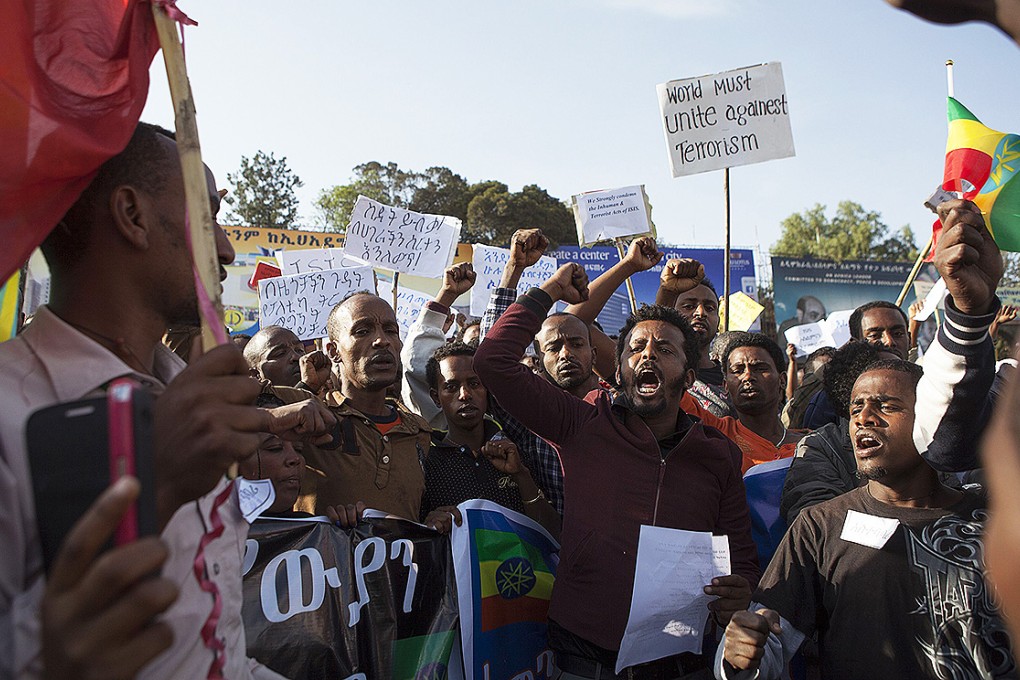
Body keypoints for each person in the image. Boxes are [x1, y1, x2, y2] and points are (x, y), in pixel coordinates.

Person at [0, 122, 334, 679]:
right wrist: (152, 483)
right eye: (207, 218)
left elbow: (214, 644)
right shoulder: (10, 418)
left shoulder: (188, 392)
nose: (226, 248)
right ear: (132, 216)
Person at [475, 264, 759, 678]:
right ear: (619, 370)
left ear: (689, 377)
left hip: (679, 658)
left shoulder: (719, 456)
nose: (648, 355)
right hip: (583, 654)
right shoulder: (581, 423)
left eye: (664, 350)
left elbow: (740, 558)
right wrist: (551, 290)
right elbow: (493, 360)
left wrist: (741, 589)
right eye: (636, 348)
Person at [717, 360, 1017, 679]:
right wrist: (738, 657)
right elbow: (766, 644)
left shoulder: (997, 512)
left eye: (885, 405)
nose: (863, 418)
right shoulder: (819, 527)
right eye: (856, 406)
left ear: (932, 420)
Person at [297, 291, 433, 521]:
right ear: (333, 352)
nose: (382, 340)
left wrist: (434, 520)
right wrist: (305, 390)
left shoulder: (419, 433)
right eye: (362, 331)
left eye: (391, 330)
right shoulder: (313, 421)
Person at [420, 341, 560, 539]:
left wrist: (521, 475)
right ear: (436, 397)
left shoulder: (515, 452)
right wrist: (428, 527)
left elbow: (553, 534)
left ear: (488, 390)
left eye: (474, 383)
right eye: (451, 387)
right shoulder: (426, 462)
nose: (464, 395)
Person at [654, 260, 733, 416]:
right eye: (689, 306)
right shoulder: (653, 372)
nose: (701, 313)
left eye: (710, 308)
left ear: (718, 321)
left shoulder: (735, 376)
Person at [717, 334, 806, 472]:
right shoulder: (717, 437)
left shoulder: (812, 444)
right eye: (737, 371)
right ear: (726, 385)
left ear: (782, 380)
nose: (747, 377)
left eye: (759, 369)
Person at [243, 324, 332, 394]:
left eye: (300, 350)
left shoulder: (329, 405)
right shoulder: (249, 412)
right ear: (255, 375)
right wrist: (307, 387)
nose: (296, 357)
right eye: (280, 353)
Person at [237, 434, 309, 517]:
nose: (295, 458)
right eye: (275, 448)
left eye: (298, 449)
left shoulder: (318, 526)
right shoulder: (225, 526)